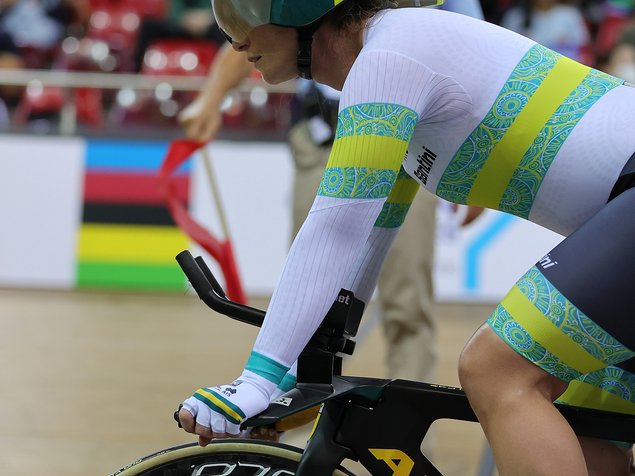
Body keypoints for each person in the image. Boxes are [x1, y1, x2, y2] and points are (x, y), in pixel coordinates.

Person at [177, 1, 635, 474]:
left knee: (496, 369)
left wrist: (258, 378)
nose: (236, 42)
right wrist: (296, 365)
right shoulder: (389, 64)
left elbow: (336, 229)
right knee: (587, 443)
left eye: (243, 18)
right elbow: (369, 238)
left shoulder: (388, 56)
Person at [179, 0, 484, 401]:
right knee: (310, 291)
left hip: (407, 142)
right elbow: (261, 29)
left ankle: (404, 426)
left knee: (406, 297)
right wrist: (211, 98)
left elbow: (469, 50)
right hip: (322, 137)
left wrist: (475, 162)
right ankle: (288, 414)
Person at [500, 0, 592, 63]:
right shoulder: (516, 15)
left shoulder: (570, 13)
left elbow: (583, 43)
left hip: (562, 65)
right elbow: (505, 45)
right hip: (526, 66)